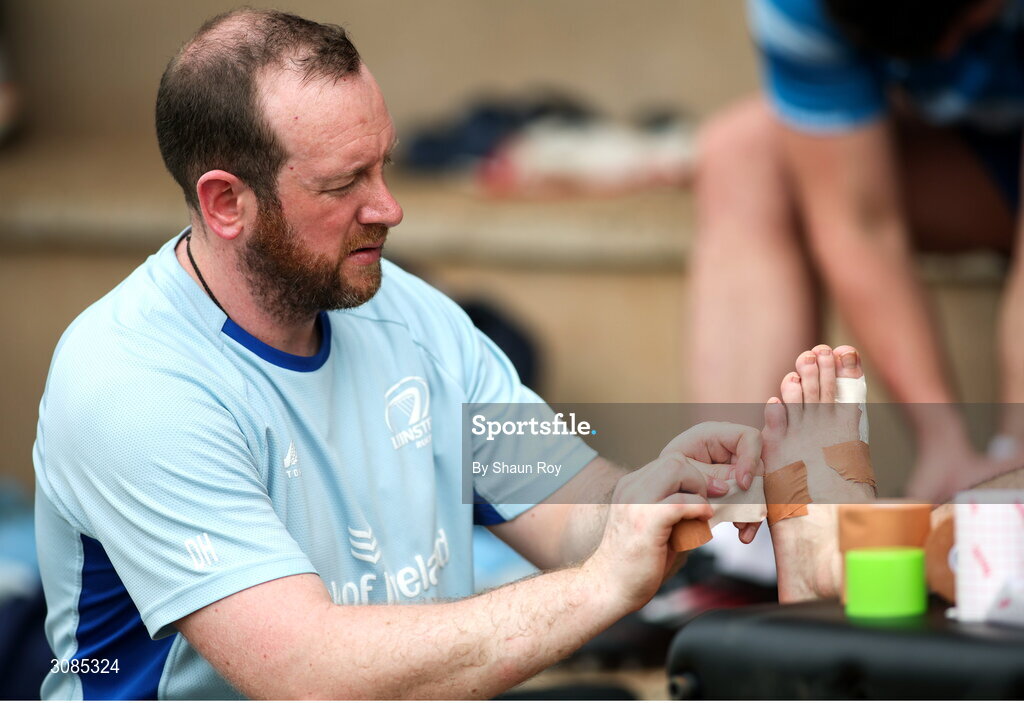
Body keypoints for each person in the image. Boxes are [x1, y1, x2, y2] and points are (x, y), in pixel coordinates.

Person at [32, 10, 764, 700]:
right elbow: (307, 673)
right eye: (344, 182)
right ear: (226, 203)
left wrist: (658, 498)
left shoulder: (406, 312)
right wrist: (602, 584)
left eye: (383, 166)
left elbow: (570, 517)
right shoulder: (131, 381)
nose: (389, 207)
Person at [691, 0, 1024, 501]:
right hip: (976, 160)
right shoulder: (795, 7)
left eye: (966, 21)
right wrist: (942, 443)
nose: (945, 51)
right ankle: (737, 524)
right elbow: (858, 223)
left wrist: (1011, 455)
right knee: (743, 152)